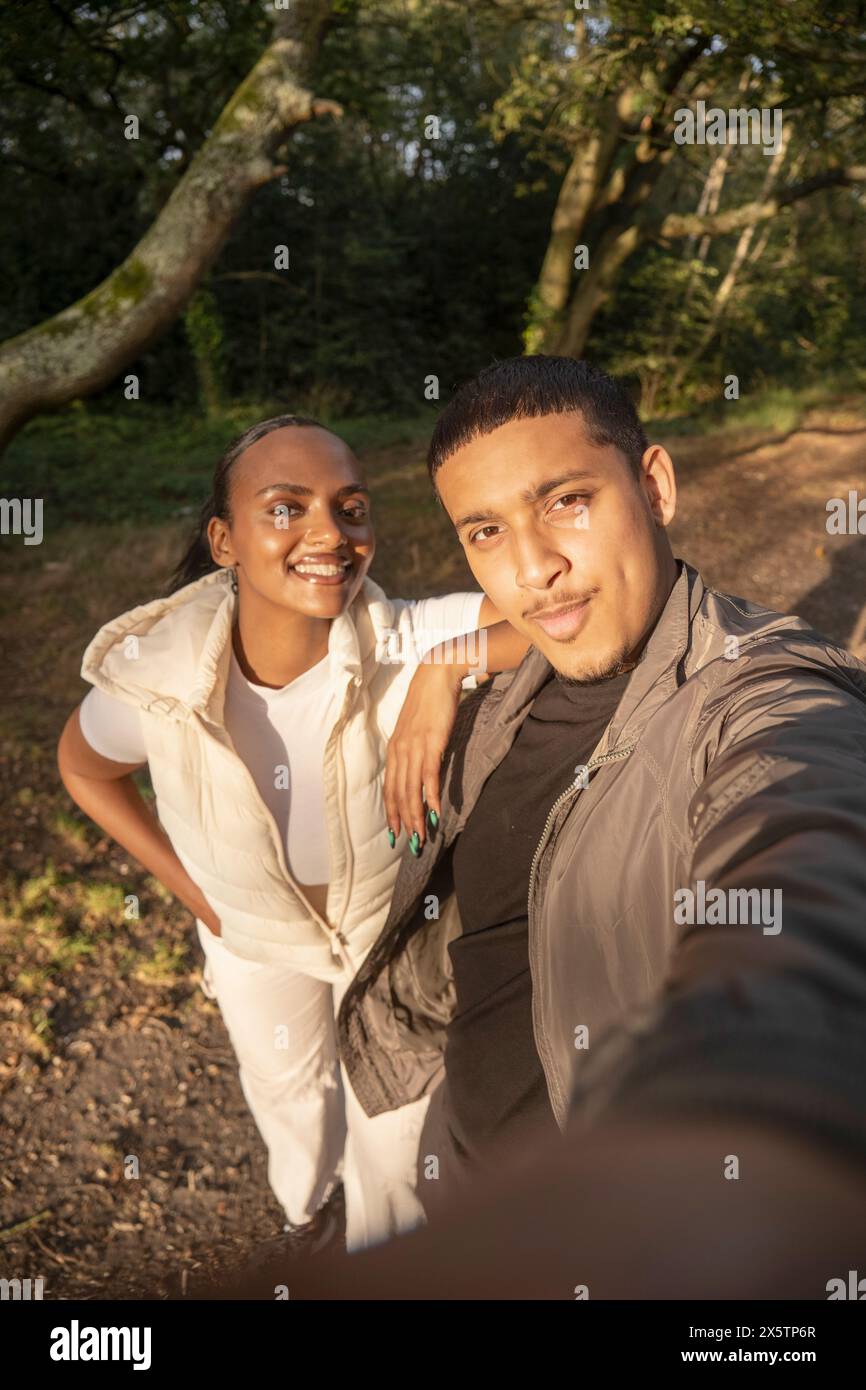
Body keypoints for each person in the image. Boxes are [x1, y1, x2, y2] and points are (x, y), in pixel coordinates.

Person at [337, 355, 866, 1224]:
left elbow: (799, 828)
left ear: (654, 487)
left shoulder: (761, 697)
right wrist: (448, 661)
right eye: (485, 533)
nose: (532, 568)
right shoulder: (507, 691)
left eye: (565, 503)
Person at [56, 413, 527, 1252]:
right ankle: (307, 1215)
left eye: (351, 508)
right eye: (286, 507)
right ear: (224, 539)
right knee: (290, 1093)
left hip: (385, 935)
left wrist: (446, 667)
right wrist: (189, 889)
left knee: (395, 1124)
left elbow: (560, 607)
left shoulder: (409, 637)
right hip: (253, 939)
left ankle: (379, 1259)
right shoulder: (159, 680)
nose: (330, 534)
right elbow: (85, 766)